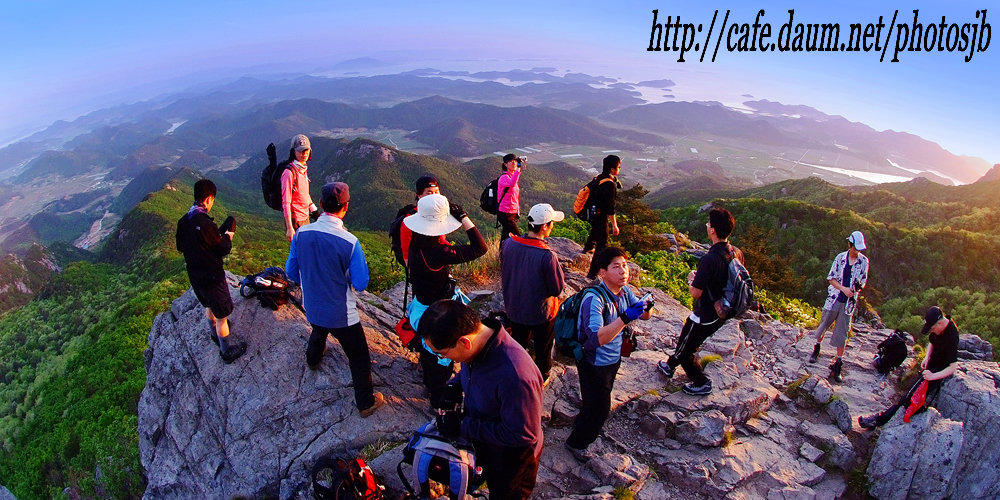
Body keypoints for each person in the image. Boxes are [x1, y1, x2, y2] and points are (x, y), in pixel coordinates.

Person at [419, 300, 543, 500]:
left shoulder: (516, 375)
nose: (446, 360)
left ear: (464, 342)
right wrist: (454, 386)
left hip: (512, 460)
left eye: (443, 354)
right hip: (489, 448)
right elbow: (470, 368)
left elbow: (523, 434)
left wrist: (462, 426)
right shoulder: (479, 342)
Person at [285, 182, 385, 418]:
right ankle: (365, 402)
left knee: (319, 328)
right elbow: (361, 284)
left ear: (320, 204)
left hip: (311, 306)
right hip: (341, 314)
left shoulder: (301, 234)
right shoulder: (349, 242)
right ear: (346, 207)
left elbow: (291, 273)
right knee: (358, 356)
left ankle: (313, 358)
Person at [566, 247, 652, 461]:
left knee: (594, 399)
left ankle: (582, 422)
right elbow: (595, 339)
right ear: (603, 272)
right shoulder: (594, 300)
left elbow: (645, 316)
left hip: (612, 359)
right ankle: (577, 443)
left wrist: (646, 306)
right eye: (616, 267)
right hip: (593, 362)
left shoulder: (625, 291)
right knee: (601, 409)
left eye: (624, 265)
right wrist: (624, 318)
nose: (624, 271)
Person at [404, 193, 488, 408]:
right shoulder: (438, 252)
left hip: (420, 307)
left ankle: (429, 382)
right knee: (442, 358)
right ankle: (438, 399)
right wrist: (464, 217)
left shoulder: (416, 243)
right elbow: (480, 248)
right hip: (437, 314)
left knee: (428, 350)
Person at [657, 207, 740, 396]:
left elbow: (695, 292)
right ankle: (669, 365)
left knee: (687, 350)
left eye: (708, 224)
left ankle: (702, 382)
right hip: (722, 310)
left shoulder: (710, 258)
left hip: (706, 313)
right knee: (687, 336)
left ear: (712, 230)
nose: (707, 227)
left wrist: (691, 279)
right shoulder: (734, 252)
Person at [176, 179, 246, 363]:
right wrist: (228, 237)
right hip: (212, 277)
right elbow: (222, 249)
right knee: (222, 315)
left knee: (209, 306)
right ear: (208, 199)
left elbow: (180, 247)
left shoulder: (184, 221)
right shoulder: (206, 224)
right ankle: (226, 351)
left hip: (195, 276)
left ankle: (214, 334)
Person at [859, 306, 959, 429]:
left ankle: (877, 420)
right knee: (906, 398)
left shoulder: (952, 336)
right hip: (929, 369)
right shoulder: (938, 329)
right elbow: (932, 343)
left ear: (940, 323)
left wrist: (933, 376)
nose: (932, 331)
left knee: (908, 400)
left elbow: (952, 367)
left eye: (932, 328)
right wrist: (927, 357)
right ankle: (878, 420)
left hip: (935, 374)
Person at [500, 203, 566, 383]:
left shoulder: (508, 244)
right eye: (552, 223)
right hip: (540, 314)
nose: (553, 226)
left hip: (514, 307)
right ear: (545, 226)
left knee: (518, 344)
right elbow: (556, 289)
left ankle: (517, 372)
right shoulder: (547, 255)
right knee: (543, 348)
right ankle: (541, 376)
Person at [807, 230, 870, 384]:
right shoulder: (840, 258)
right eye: (855, 248)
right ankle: (817, 347)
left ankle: (838, 362)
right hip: (835, 298)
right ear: (850, 244)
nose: (857, 251)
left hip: (849, 303)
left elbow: (863, 280)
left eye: (859, 249)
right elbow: (831, 278)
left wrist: (858, 288)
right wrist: (843, 289)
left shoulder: (864, 262)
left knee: (842, 332)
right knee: (824, 324)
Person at [391, 174, 444, 266]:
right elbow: (405, 248)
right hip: (419, 264)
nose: (434, 196)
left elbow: (441, 240)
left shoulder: (438, 214)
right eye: (429, 193)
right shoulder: (410, 219)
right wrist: (411, 272)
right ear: (419, 195)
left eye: (436, 192)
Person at [583, 155, 622, 279]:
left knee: (596, 230)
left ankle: (588, 247)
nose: (620, 169)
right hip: (600, 214)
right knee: (602, 244)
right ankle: (592, 273)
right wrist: (614, 225)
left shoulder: (599, 178)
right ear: (612, 169)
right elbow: (610, 207)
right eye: (619, 167)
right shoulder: (609, 184)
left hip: (592, 212)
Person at [281, 134, 320, 242]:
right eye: (301, 150)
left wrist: (315, 211)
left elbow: (304, 194)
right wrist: (289, 228)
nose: (304, 154)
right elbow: (286, 202)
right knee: (302, 252)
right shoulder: (289, 173)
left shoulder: (302, 169)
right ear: (294, 152)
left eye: (306, 150)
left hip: (305, 217)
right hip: (297, 221)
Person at [497, 153, 523, 243]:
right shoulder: (504, 178)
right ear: (505, 164)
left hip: (512, 212)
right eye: (510, 162)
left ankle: (501, 255)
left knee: (505, 235)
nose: (514, 163)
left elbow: (515, 197)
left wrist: (517, 212)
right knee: (518, 237)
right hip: (505, 213)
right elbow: (512, 183)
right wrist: (518, 169)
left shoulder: (512, 177)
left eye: (515, 161)